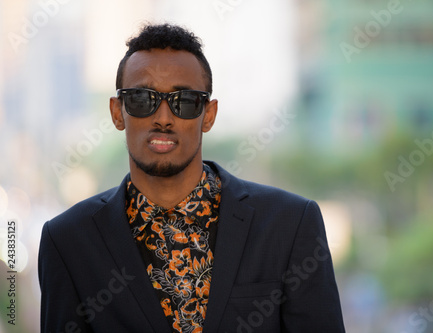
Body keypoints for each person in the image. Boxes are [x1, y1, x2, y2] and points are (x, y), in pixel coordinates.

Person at [38, 23, 346, 333]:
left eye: (184, 101)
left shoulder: (289, 224)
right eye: (142, 99)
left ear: (208, 115)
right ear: (118, 112)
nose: (162, 118)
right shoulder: (67, 241)